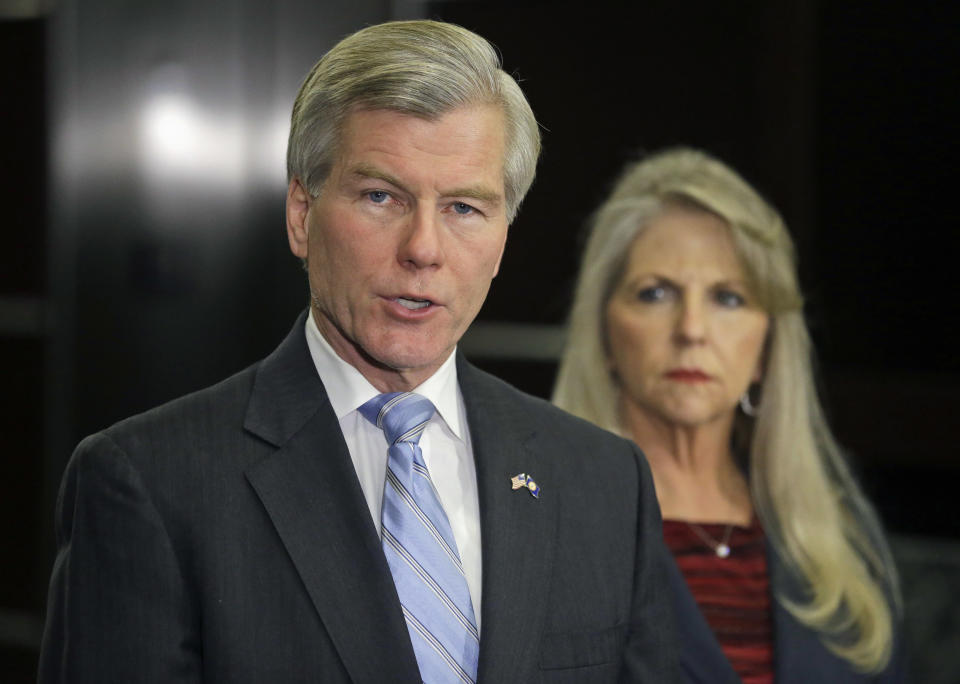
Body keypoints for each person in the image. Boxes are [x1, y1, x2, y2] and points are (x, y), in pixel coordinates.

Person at [39, 20, 678, 684]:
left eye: (464, 208)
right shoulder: (148, 484)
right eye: (381, 197)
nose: (423, 249)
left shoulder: (604, 483)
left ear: (503, 240)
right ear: (301, 215)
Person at [553, 147, 905, 683]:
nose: (692, 328)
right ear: (602, 332)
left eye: (729, 298)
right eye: (655, 293)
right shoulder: (546, 524)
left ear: (766, 347)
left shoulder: (839, 534)